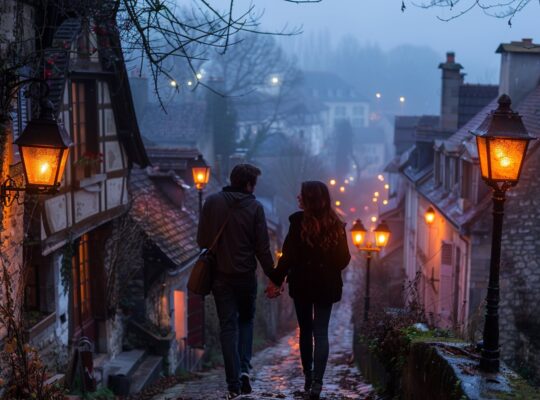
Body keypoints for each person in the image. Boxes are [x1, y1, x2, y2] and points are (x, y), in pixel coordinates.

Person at [266, 181, 351, 400]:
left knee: (306, 331)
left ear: (308, 199)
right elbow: (343, 260)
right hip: (326, 285)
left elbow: (288, 257)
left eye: (301, 195)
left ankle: (308, 377)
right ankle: (317, 384)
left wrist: (276, 279)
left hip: (302, 284)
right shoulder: (336, 225)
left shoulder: (297, 222)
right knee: (321, 332)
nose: (297, 197)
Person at [197, 163, 275, 400]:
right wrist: (275, 276)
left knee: (227, 327)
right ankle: (243, 369)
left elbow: (202, 239)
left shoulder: (211, 202)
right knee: (246, 321)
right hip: (245, 277)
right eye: (254, 184)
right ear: (249, 184)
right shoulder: (255, 208)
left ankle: (233, 384)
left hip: (220, 277)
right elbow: (262, 248)